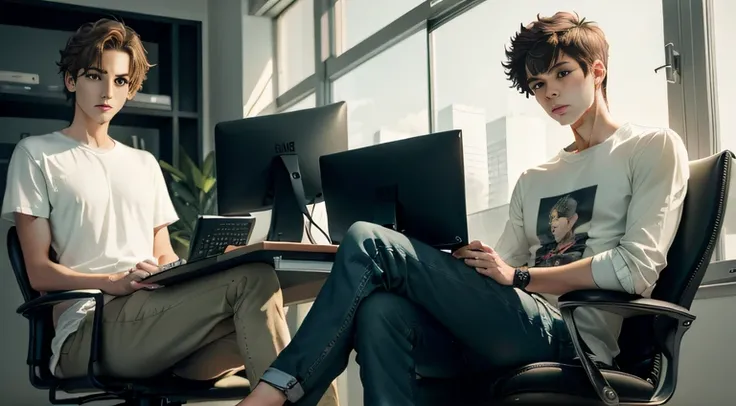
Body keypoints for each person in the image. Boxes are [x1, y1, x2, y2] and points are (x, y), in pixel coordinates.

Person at [237, 11, 690, 406]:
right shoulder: (536, 179)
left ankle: (276, 390)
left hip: (572, 339)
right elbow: (505, 270)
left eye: (562, 74)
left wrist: (522, 277)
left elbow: (636, 269)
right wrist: (458, 266)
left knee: (367, 239)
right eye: (538, 84)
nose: (550, 93)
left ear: (597, 71)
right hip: (513, 325)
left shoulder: (649, 147)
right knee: (380, 311)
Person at [1, 18, 339, 405]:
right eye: (96, 76)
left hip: (160, 323)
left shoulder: (144, 163)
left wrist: (193, 269)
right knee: (254, 281)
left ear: (130, 89)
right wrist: (112, 280)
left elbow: (163, 254)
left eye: (121, 81)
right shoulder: (38, 154)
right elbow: (39, 273)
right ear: (71, 81)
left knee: (281, 340)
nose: (108, 90)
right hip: (90, 330)